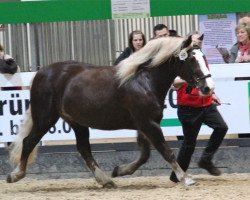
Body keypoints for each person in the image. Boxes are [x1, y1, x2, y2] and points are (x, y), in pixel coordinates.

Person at [169, 32, 228, 183]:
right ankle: (177, 175)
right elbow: (173, 83)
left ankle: (205, 160)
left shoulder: (201, 57)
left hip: (206, 103)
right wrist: (188, 79)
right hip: (188, 107)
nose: (199, 41)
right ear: (188, 42)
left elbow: (206, 80)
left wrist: (212, 94)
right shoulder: (181, 58)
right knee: (189, 143)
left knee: (221, 127)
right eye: (196, 39)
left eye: (201, 40)